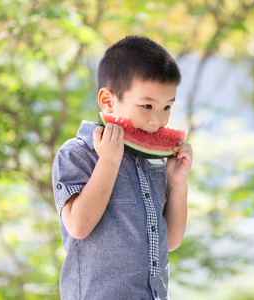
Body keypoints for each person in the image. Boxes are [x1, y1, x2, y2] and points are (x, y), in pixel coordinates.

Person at [52, 36, 193, 300]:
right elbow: (78, 226)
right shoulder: (78, 153)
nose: (158, 119)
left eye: (167, 107)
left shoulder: (153, 161)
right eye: (147, 106)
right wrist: (108, 161)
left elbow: (171, 240)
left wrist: (177, 183)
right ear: (107, 101)